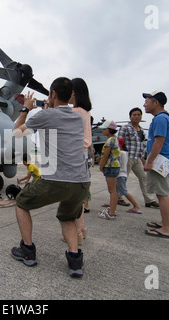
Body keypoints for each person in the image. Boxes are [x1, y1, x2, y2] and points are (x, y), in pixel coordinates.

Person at [11, 77, 90, 278]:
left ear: (53, 94)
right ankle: (75, 261)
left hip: (57, 179)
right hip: (81, 181)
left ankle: (27, 251)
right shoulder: (78, 117)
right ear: (71, 94)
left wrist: (26, 109)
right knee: (67, 217)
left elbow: (16, 133)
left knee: (21, 203)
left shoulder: (46, 116)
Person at [143, 91, 169, 239]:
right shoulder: (164, 117)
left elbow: (159, 141)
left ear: (156, 103)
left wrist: (149, 161)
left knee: (163, 195)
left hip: (161, 161)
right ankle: (164, 222)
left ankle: (167, 229)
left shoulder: (160, 119)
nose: (144, 104)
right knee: (163, 193)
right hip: (165, 160)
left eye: (147, 101)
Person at [118, 108, 159, 208]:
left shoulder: (141, 131)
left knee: (143, 178)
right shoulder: (125, 128)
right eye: (134, 115)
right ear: (130, 117)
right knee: (123, 178)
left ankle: (149, 200)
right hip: (127, 157)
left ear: (141, 117)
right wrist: (122, 155)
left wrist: (142, 157)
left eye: (138, 115)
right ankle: (118, 198)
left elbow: (140, 145)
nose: (136, 116)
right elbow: (119, 141)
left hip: (137, 158)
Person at [68, 77, 92, 244]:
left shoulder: (74, 112)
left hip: (71, 159)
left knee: (69, 200)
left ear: (73, 92)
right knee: (78, 198)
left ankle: (75, 234)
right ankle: (82, 229)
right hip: (82, 159)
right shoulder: (86, 112)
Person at [98, 120, 121, 219]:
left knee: (112, 190)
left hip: (110, 167)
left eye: (104, 129)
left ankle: (111, 212)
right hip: (114, 166)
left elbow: (106, 155)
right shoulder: (114, 139)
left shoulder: (110, 140)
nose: (102, 130)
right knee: (113, 190)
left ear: (110, 130)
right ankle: (112, 210)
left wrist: (101, 166)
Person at [117, 138, 142, 214]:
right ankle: (112, 205)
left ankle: (136, 205)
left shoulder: (121, 153)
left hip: (120, 175)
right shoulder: (125, 153)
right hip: (121, 174)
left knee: (124, 191)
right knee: (115, 191)